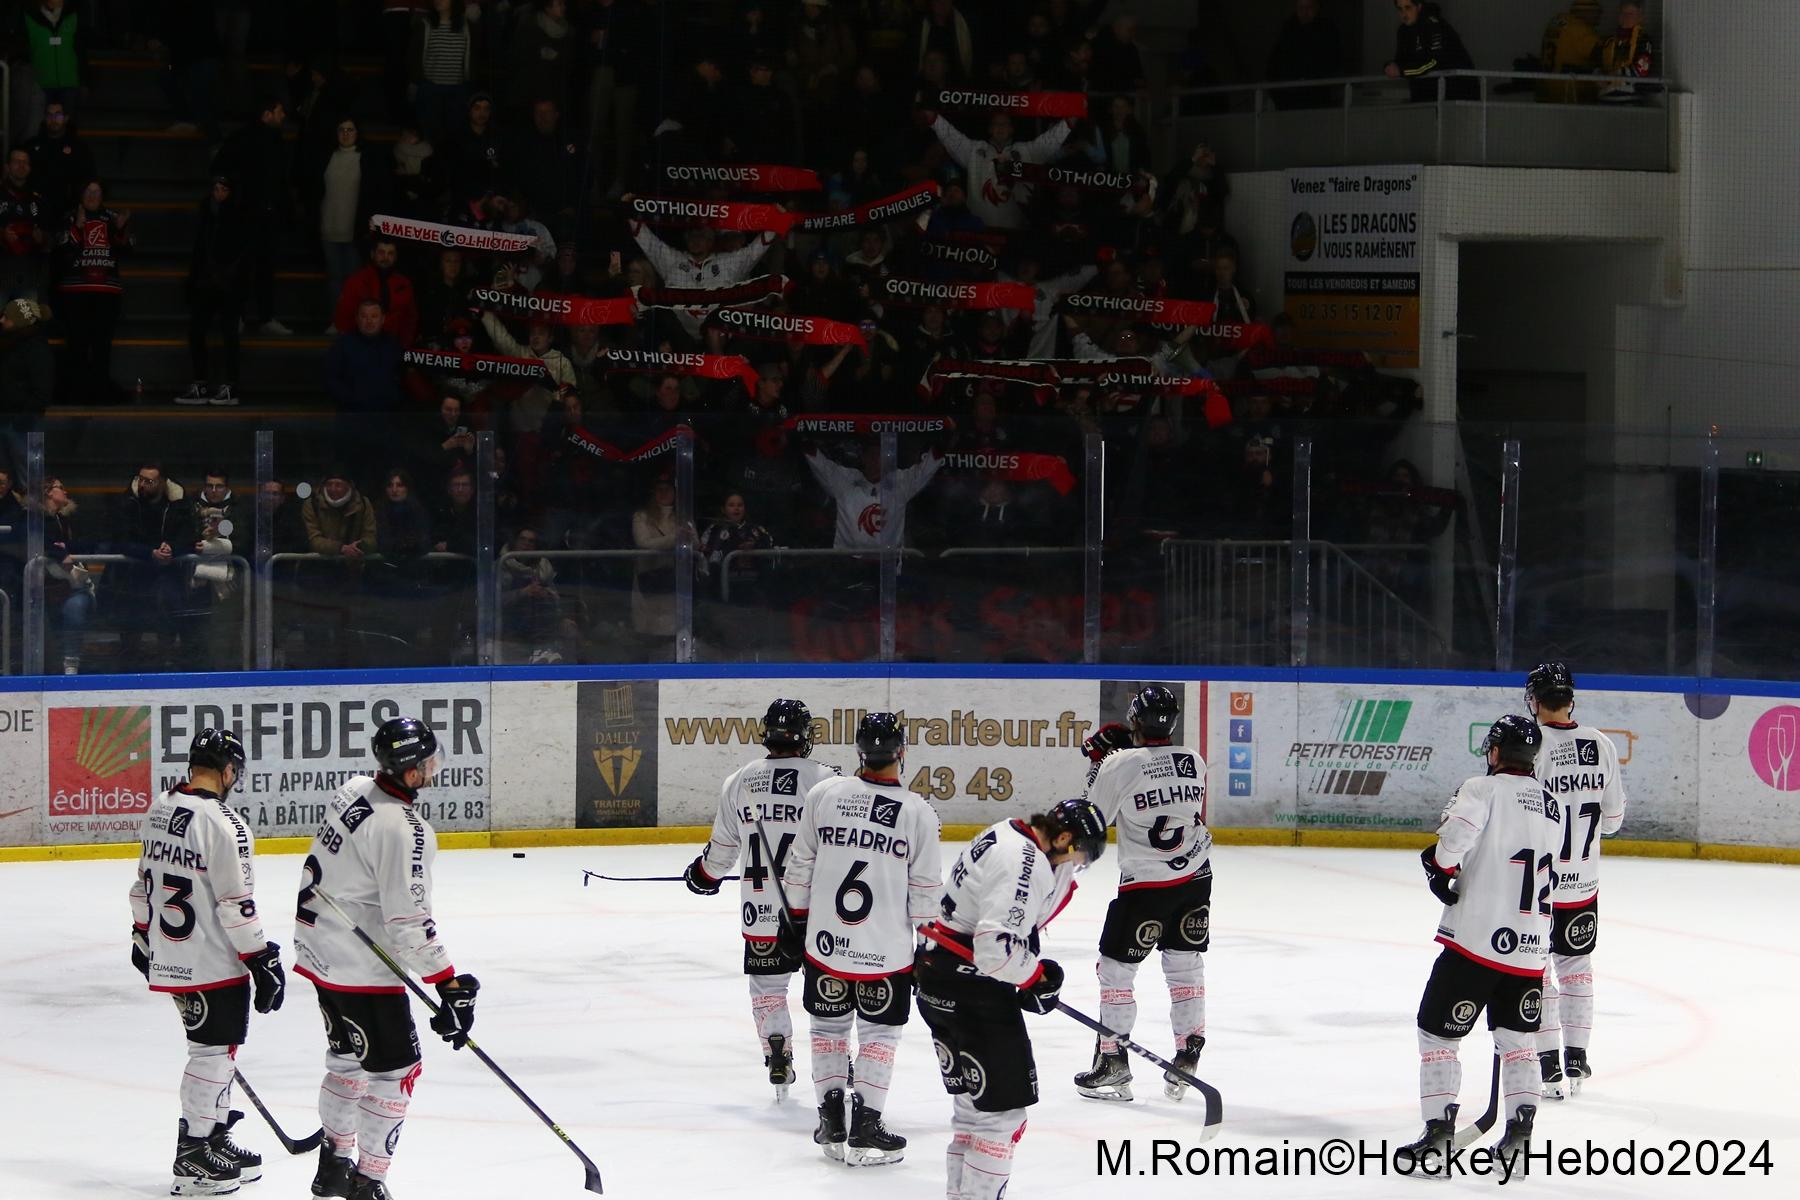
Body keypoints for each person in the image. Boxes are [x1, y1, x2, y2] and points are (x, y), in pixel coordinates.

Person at [294, 717, 480, 1200]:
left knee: (345, 1061)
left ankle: (334, 1164)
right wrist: (448, 983)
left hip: (318, 952)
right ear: (412, 771)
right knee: (396, 1072)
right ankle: (369, 1181)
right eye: (428, 761)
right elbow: (408, 921)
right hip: (362, 970)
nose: (435, 766)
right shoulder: (405, 830)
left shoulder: (352, 787)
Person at [916, 798, 1108, 1200]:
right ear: (1064, 837)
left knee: (972, 1112)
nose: (1077, 862)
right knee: (1002, 1119)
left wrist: (1026, 976)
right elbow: (994, 951)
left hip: (939, 980)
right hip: (974, 998)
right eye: (1079, 852)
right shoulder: (1026, 861)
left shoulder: (1009, 830)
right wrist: (1035, 976)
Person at [1397, 715, 1560, 1174]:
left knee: (1437, 1033)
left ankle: (1438, 1136)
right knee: (1518, 1041)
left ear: (1495, 751)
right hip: (1531, 947)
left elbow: (1454, 842)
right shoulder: (1552, 804)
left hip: (1476, 942)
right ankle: (1520, 1138)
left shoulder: (1481, 788)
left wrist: (1439, 867)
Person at [780, 712, 943, 1167]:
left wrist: (793, 921)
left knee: (828, 1029)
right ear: (902, 752)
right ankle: (866, 1125)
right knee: (879, 1034)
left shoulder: (825, 793)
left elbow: (801, 865)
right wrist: (929, 953)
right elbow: (926, 894)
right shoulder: (918, 812)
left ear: (859, 751)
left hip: (827, 946)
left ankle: (832, 1120)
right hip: (885, 953)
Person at [127, 728, 286, 1196]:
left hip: (169, 952)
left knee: (214, 1051)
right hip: (211, 959)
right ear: (229, 770)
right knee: (212, 1053)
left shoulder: (160, 807)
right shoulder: (225, 824)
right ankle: (195, 1155)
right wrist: (260, 957)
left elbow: (142, 886)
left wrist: (141, 936)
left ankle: (213, 1140)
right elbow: (237, 905)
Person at [683, 699, 843, 1099]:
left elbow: (721, 852)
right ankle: (840, 1068)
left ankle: (777, 1053)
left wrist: (702, 876)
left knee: (768, 988)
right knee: (828, 992)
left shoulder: (739, 780)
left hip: (761, 910)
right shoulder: (828, 780)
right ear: (805, 736)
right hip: (815, 910)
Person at [1072, 684, 1213, 1103]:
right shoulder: (1196, 761)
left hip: (1145, 885)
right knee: (1185, 967)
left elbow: (1089, 820)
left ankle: (1113, 1062)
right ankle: (1188, 1052)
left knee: (1115, 971)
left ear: (1135, 719)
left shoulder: (1121, 764)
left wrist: (1100, 761)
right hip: (1196, 877)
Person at [1523, 662, 1626, 1100]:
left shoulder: (1529, 746)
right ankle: (1577, 1057)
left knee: (1539, 972)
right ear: (1571, 699)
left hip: (1540, 884)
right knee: (1577, 968)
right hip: (1584, 883)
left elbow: (1519, 814)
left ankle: (1547, 1064)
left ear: (1534, 701)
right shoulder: (1601, 743)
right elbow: (1614, 819)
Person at [211, 96, 294, 335]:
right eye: (279, 112)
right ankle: (239, 316)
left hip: (266, 218)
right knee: (244, 268)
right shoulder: (244, 139)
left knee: (264, 268)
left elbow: (280, 182)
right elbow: (220, 170)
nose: (283, 116)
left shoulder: (273, 141)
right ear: (266, 114)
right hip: (245, 217)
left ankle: (264, 316)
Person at [107, 461, 197, 671]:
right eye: (141, 480)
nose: (143, 485)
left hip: (168, 571)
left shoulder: (179, 504)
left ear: (162, 482)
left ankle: (165, 660)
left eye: (150, 481)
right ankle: (129, 660)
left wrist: (171, 548)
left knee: (169, 602)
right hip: (132, 572)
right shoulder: (127, 502)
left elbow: (189, 536)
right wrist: (149, 553)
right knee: (131, 611)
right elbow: (119, 539)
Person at [52, 178, 131, 403]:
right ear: (81, 194)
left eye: (96, 191)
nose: (92, 195)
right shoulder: (68, 217)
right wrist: (77, 226)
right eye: (88, 191)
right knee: (77, 344)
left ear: (103, 195)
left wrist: (121, 230)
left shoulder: (114, 218)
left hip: (107, 293)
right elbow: (59, 249)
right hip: (75, 293)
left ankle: (99, 391)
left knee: (102, 345)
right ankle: (76, 392)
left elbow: (130, 248)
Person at [926, 109, 1071, 230]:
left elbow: (1052, 139)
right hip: (977, 232)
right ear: (989, 129)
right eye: (996, 124)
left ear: (1012, 129)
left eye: (1005, 124)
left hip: (1015, 234)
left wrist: (1075, 114)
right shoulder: (974, 150)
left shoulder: (1026, 151)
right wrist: (932, 116)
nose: (1000, 127)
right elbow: (950, 136)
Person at [315, 119, 392, 328]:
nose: (346, 134)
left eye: (350, 130)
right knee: (334, 280)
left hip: (354, 231)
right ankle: (336, 321)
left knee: (355, 281)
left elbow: (374, 193)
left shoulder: (365, 158)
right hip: (329, 228)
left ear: (358, 133)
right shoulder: (327, 157)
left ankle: (355, 323)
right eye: (341, 130)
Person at [181, 175, 249, 405]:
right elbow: (199, 250)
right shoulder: (207, 215)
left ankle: (231, 385)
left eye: (224, 189)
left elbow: (244, 253)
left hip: (230, 284)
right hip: (207, 282)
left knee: (229, 334)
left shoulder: (239, 215)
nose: (219, 193)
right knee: (196, 331)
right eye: (216, 189)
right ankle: (201, 383)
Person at [805, 442, 944, 552]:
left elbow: (928, 466)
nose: (876, 460)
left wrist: (946, 438)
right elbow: (819, 463)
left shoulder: (900, 482)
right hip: (848, 562)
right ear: (863, 457)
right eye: (872, 455)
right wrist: (800, 435)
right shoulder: (845, 480)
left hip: (889, 567)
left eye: (881, 455)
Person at [333, 237, 418, 347]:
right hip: (360, 346)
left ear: (396, 257)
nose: (386, 257)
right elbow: (343, 318)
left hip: (393, 348)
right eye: (381, 252)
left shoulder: (405, 284)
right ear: (372, 254)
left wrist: (404, 346)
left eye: (390, 253)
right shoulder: (356, 281)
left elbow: (410, 319)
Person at [1385, 1, 1475, 102]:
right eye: (1400, 9)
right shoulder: (1403, 31)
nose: (1404, 13)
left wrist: (1402, 71)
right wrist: (1390, 66)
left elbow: (1434, 61)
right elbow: (1402, 60)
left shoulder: (1433, 25)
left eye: (1408, 8)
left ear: (1418, 7)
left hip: (1458, 92)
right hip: (1428, 93)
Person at [1266, 0, 1346, 109]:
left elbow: (1335, 60)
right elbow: (1275, 63)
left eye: (1309, 8)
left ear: (1316, 8)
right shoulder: (1287, 32)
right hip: (1290, 97)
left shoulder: (1327, 30)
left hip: (1318, 95)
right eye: (1301, 8)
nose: (1305, 12)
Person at [22, 100, 95, 215]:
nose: (53, 119)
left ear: (66, 118)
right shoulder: (31, 146)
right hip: (35, 210)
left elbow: (89, 180)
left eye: (58, 115)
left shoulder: (80, 149)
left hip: (69, 211)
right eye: (49, 115)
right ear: (44, 118)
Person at [0, 148, 50, 302]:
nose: (21, 165)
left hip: (28, 274)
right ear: (7, 167)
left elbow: (50, 238)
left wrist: (41, 237)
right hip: (1, 273)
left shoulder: (38, 199)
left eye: (25, 162)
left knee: (26, 323)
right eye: (17, 161)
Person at [302, 470, 379, 560]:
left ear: (348, 486)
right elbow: (313, 538)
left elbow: (371, 537)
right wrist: (340, 548)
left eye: (338, 485)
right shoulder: (312, 504)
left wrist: (359, 546)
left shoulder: (363, 504)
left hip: (353, 565)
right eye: (329, 484)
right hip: (320, 564)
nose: (333, 489)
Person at [1596, 0, 1657, 105]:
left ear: (1640, 17)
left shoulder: (1643, 41)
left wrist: (1615, 75)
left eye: (1630, 14)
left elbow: (1642, 69)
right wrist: (1597, 76)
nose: (1625, 17)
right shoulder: (1608, 42)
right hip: (1604, 100)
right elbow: (1595, 65)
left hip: (1630, 101)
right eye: (1622, 13)